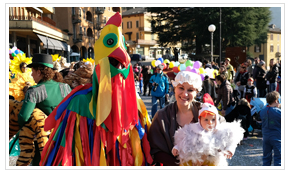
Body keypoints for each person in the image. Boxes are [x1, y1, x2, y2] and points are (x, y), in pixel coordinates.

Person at [147, 71, 226, 166]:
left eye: (190, 90)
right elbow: (155, 150)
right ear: (175, 88)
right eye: (181, 88)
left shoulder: (206, 111)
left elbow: (223, 131)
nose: (185, 94)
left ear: (196, 92)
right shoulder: (162, 116)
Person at [17, 53, 72, 165]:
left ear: (39, 72)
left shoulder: (34, 91)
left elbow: (23, 117)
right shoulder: (65, 87)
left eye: (32, 71)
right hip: (65, 139)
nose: (31, 75)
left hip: (44, 142)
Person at [172, 100, 244, 166]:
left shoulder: (220, 131)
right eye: (206, 120)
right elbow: (183, 140)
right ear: (200, 120)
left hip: (212, 160)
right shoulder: (193, 129)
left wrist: (230, 149)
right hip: (194, 159)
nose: (210, 123)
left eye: (213, 120)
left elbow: (230, 141)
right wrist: (177, 148)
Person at [260, 91, 281, 166]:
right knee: (279, 158)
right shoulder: (279, 112)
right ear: (275, 101)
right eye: (278, 100)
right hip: (277, 137)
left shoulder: (263, 111)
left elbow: (259, 119)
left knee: (266, 158)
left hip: (265, 137)